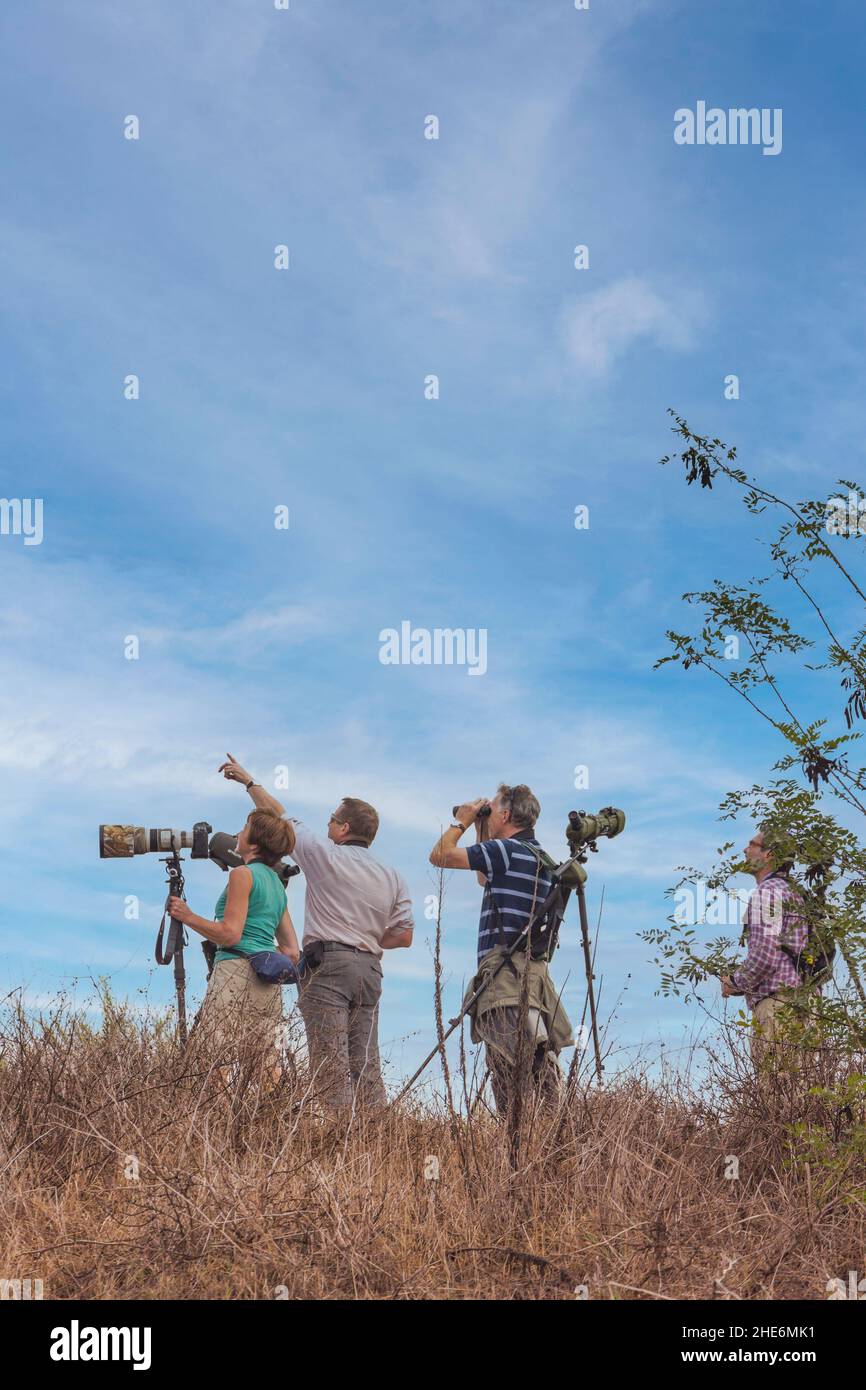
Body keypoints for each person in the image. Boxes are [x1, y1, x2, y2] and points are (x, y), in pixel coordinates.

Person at [218, 754, 414, 1113]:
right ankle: (376, 1141)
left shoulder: (324, 854)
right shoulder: (392, 875)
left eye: (331, 820)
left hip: (329, 967)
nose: (326, 825)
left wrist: (248, 782)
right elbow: (403, 936)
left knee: (330, 1063)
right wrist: (368, 939)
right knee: (366, 1064)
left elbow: (277, 815)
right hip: (370, 969)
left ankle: (340, 1148)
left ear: (343, 828)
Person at [429, 783, 574, 1114]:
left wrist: (462, 822)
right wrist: (484, 825)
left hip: (504, 979)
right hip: (533, 978)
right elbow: (484, 877)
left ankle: (516, 1148)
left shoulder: (505, 851)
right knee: (539, 1069)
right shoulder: (539, 857)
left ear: (506, 814)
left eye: (493, 809)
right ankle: (557, 1144)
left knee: (507, 1068)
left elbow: (440, 855)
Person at [168, 809, 299, 1079]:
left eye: (244, 827)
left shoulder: (242, 874)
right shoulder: (277, 884)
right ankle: (268, 1119)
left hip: (235, 972)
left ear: (253, 844)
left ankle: (217, 1120)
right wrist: (260, 952)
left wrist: (187, 916)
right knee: (267, 1063)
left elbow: (230, 934)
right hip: (268, 982)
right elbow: (291, 951)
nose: (237, 833)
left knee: (216, 1059)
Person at [720, 827, 810, 1070]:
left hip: (776, 1007)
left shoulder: (766, 892)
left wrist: (734, 981)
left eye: (752, 845)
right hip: (802, 1004)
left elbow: (764, 956)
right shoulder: (793, 893)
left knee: (775, 1093)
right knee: (801, 1096)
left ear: (769, 854)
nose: (745, 850)